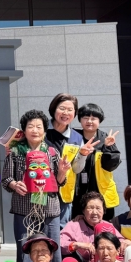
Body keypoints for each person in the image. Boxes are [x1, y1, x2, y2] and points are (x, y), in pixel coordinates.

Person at [1, 110, 71, 262]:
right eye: (30, 126)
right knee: (25, 252)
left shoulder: (52, 152)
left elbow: (59, 183)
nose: (35, 130)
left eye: (39, 127)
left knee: (52, 251)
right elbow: (6, 179)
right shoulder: (15, 152)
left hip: (50, 210)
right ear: (24, 131)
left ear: (44, 131)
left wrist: (62, 171)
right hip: (24, 210)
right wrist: (15, 185)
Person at [44, 93, 94, 228]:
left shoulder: (77, 137)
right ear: (53, 109)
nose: (66, 113)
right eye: (62, 108)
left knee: (61, 231)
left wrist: (82, 155)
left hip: (64, 193)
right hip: (40, 189)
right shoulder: (41, 130)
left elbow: (76, 169)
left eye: (70, 110)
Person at [72, 103, 121, 220]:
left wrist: (108, 147)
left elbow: (111, 166)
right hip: (77, 191)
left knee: (103, 224)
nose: (89, 121)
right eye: (85, 118)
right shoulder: (73, 137)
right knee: (77, 224)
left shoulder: (106, 139)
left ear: (100, 120)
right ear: (80, 120)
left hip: (101, 191)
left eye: (93, 118)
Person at [60, 191, 130, 262]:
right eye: (90, 208)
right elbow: (60, 243)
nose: (94, 212)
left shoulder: (108, 225)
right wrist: (77, 245)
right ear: (83, 211)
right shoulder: (74, 225)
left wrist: (127, 242)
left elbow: (121, 241)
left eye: (98, 208)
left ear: (104, 211)